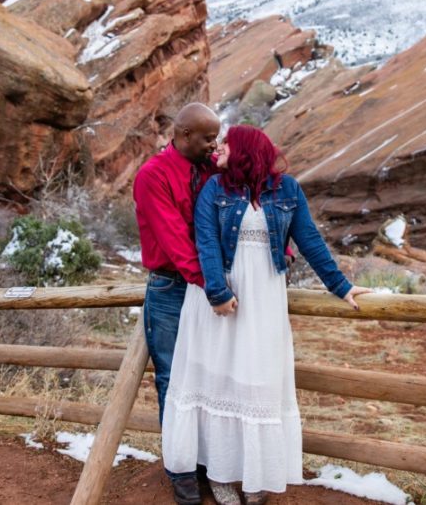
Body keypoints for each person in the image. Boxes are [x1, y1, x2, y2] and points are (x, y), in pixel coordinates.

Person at [161, 125, 371, 505]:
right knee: (217, 379)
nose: (218, 148)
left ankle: (255, 477)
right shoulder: (215, 189)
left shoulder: (287, 190)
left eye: (226, 143)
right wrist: (218, 293)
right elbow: (205, 241)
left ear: (245, 149)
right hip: (222, 299)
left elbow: (308, 239)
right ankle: (222, 476)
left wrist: (340, 286)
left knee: (257, 377)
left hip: (265, 300)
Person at [132, 102, 220, 505]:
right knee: (172, 380)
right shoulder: (153, 175)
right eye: (207, 138)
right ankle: (181, 469)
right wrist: (215, 286)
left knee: (210, 377)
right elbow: (176, 243)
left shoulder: (208, 170)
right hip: (172, 290)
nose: (213, 145)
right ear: (183, 135)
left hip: (206, 288)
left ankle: (207, 462)